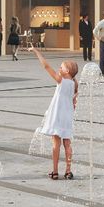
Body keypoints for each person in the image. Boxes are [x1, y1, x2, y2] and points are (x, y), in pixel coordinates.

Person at [28, 45, 78, 180]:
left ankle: (55, 171)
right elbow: (74, 101)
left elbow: (46, 66)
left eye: (61, 67)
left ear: (67, 71)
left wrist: (36, 51)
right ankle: (68, 171)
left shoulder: (61, 81)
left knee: (56, 144)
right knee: (67, 143)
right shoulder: (73, 83)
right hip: (67, 116)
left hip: (57, 115)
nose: (59, 69)